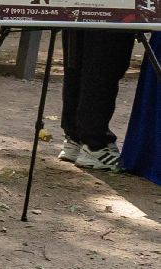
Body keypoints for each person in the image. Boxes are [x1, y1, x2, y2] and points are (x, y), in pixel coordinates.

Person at [58, 28, 138, 170]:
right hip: (113, 14)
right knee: (105, 63)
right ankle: (95, 145)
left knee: (76, 62)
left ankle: (75, 138)